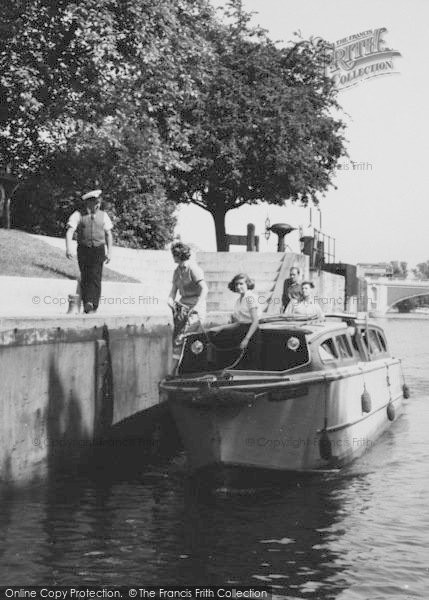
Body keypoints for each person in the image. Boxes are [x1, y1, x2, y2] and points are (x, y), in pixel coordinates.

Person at [65, 189, 113, 314]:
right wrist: (68, 248)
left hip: (98, 249)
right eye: (95, 203)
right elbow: (70, 231)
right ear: (88, 203)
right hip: (84, 249)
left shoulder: (104, 215)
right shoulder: (78, 215)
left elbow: (109, 234)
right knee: (86, 276)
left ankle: (93, 305)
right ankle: (87, 303)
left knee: (96, 276)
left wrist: (110, 252)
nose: (97, 205)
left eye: (98, 203)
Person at [167, 242, 208, 368]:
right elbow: (173, 291)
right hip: (183, 306)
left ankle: (194, 367)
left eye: (174, 254)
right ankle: (174, 370)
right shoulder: (177, 271)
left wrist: (197, 306)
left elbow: (205, 289)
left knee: (190, 337)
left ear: (179, 255)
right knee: (177, 339)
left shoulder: (193, 269)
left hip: (196, 306)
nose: (173, 257)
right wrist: (170, 300)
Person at [228, 273, 260, 349]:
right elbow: (238, 322)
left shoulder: (250, 298)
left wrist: (246, 339)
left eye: (241, 284)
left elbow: (255, 321)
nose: (238, 287)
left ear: (247, 284)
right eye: (236, 284)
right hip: (241, 331)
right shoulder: (238, 300)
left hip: (251, 334)